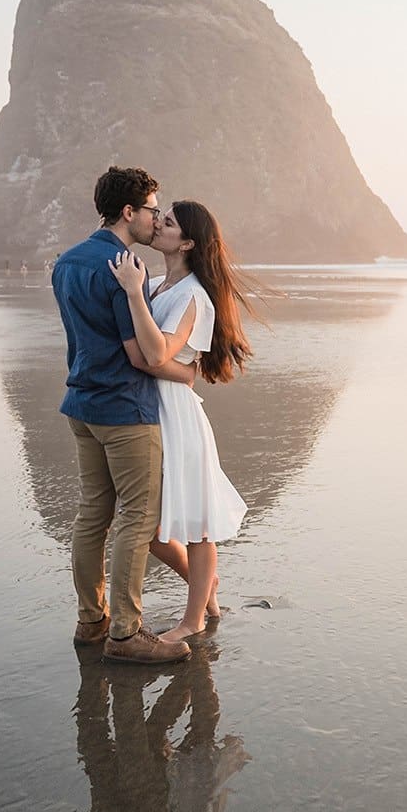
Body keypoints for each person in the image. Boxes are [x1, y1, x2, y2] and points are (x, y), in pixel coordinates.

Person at [51, 165, 197, 666]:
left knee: (93, 514)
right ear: (129, 211)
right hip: (124, 409)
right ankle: (127, 632)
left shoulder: (66, 262)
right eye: (153, 209)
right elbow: (141, 356)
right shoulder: (122, 267)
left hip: (81, 403)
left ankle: (92, 621)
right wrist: (184, 371)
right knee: (137, 519)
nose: (157, 219)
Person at [109, 200, 253, 647]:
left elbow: (156, 355)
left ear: (187, 242)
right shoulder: (153, 284)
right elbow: (154, 359)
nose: (159, 224)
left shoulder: (193, 295)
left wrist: (133, 294)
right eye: (161, 217)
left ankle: (193, 620)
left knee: (196, 521)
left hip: (178, 419)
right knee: (148, 528)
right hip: (148, 413)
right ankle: (204, 586)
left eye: (168, 222)